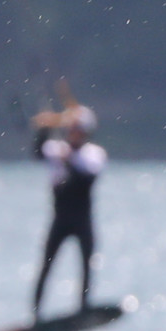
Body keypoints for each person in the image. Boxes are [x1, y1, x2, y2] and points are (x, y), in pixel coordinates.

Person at [30, 89, 108, 319]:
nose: (74, 133)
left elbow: (87, 176)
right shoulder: (57, 150)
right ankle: (36, 314)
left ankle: (83, 307)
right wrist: (43, 127)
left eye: (78, 130)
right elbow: (37, 152)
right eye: (71, 129)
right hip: (60, 219)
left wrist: (69, 160)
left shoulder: (93, 154)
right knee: (47, 264)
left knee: (86, 263)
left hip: (82, 219)